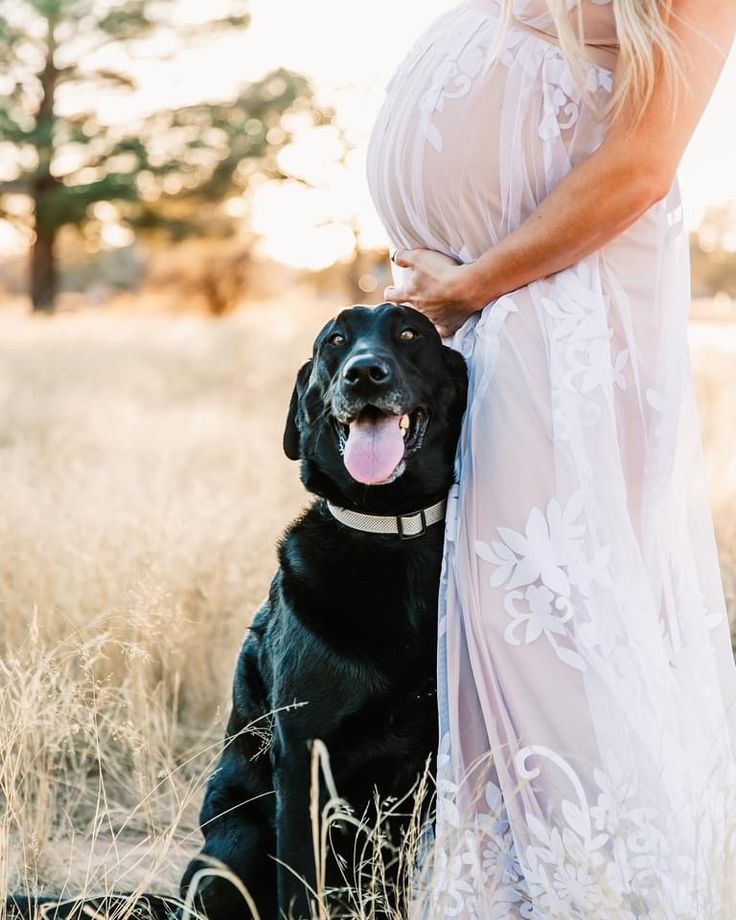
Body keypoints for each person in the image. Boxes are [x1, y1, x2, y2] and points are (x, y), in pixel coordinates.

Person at [365, 0, 736, 916]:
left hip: (558, 315)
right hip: (488, 310)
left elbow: (641, 166)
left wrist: (467, 285)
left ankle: (602, 897)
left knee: (543, 612)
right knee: (474, 620)